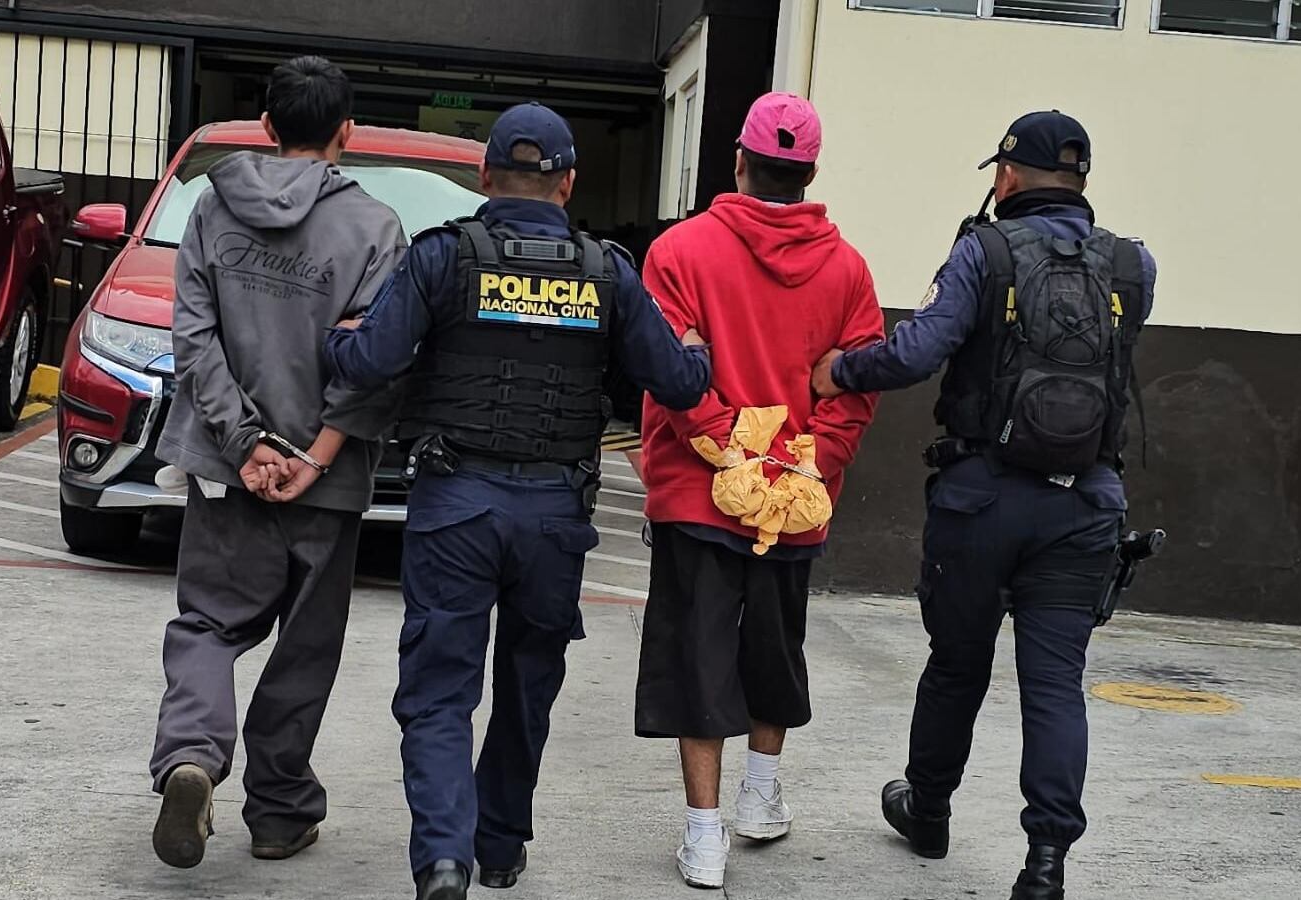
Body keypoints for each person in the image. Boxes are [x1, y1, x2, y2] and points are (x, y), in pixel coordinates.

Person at [325, 102, 712, 900]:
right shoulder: (608, 270)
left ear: (481, 176)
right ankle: (499, 845)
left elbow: (369, 362)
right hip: (555, 518)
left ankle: (443, 858)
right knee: (528, 682)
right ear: (567, 183)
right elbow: (673, 383)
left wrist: (337, 334)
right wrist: (699, 357)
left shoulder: (444, 256)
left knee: (439, 690)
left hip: (455, 507)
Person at [812, 110, 1156, 900]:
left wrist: (841, 373)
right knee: (1055, 684)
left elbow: (919, 350)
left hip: (981, 499)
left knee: (957, 665)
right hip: (1086, 505)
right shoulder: (1135, 265)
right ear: (1081, 182)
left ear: (1006, 177)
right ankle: (1046, 863)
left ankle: (927, 809)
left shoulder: (984, 250)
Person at [147, 56, 408, 870]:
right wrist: (315, 457)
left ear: (264, 128)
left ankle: (192, 753)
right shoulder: (376, 229)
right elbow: (378, 365)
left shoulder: (210, 208)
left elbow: (194, 340)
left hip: (229, 476)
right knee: (305, 644)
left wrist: (243, 443)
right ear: (347, 135)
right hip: (324, 486)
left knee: (207, 621)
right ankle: (278, 811)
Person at [630, 92, 884, 889]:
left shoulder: (679, 252)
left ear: (738, 161)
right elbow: (859, 385)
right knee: (774, 648)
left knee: (699, 660)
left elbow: (669, 374)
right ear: (808, 173)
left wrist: (728, 448)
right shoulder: (847, 268)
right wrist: (809, 464)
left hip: (696, 496)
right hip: (794, 503)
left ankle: (704, 839)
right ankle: (761, 799)